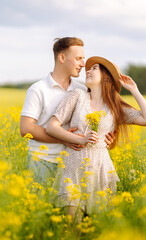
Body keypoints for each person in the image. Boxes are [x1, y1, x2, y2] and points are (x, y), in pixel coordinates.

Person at [46, 56, 146, 223]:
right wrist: (80, 139)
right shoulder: (77, 96)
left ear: (106, 77)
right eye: (88, 69)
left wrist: (134, 90)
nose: (88, 71)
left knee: (97, 229)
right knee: (72, 228)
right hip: (73, 169)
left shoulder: (115, 107)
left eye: (94, 68)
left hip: (101, 170)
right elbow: (52, 126)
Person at [20, 38, 116, 186]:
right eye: (78, 59)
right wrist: (65, 139)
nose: (83, 64)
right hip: (42, 161)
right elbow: (26, 128)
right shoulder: (38, 89)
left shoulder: (83, 90)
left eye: (83, 59)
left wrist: (105, 140)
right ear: (62, 58)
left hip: (74, 165)